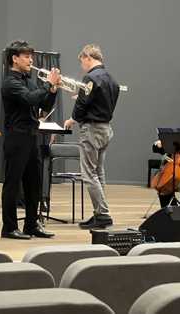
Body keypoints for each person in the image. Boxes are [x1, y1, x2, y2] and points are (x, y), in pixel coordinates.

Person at [0, 40, 60, 240]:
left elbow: (43, 105)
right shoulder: (10, 82)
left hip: (31, 136)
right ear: (14, 59)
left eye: (31, 56)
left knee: (34, 183)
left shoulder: (29, 81)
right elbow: (29, 99)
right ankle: (9, 227)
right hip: (16, 136)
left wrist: (52, 90)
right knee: (13, 184)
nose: (31, 60)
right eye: (26, 56)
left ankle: (31, 225)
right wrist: (48, 84)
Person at [63, 44, 120, 229]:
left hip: (92, 129)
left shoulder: (91, 77)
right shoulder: (112, 79)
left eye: (82, 62)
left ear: (88, 57)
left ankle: (103, 214)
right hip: (106, 128)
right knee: (98, 172)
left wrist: (72, 119)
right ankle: (99, 212)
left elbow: (81, 105)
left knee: (88, 174)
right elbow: (102, 102)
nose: (82, 67)